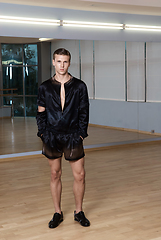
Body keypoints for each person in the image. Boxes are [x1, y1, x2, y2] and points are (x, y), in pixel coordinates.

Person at [36, 48, 90, 228]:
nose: (62, 65)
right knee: (54, 174)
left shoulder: (79, 86)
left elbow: (84, 112)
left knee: (80, 175)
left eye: (65, 61)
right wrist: (43, 133)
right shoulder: (44, 87)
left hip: (73, 135)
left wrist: (81, 133)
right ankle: (57, 212)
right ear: (53, 62)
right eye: (58, 61)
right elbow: (40, 113)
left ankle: (79, 212)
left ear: (69, 62)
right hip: (51, 136)